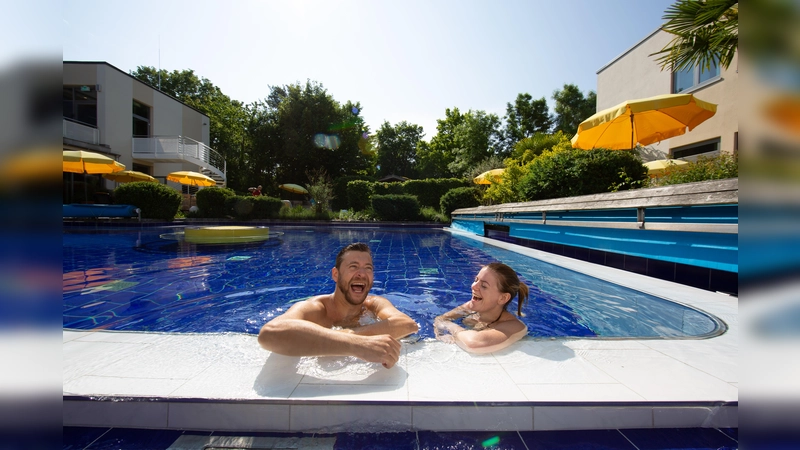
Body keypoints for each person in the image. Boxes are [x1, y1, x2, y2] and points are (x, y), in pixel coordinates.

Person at [258, 242, 419, 368]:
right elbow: (269, 334)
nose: (362, 274)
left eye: (367, 268)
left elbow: (407, 325)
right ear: (336, 274)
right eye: (353, 267)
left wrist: (349, 334)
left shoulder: (373, 304)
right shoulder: (317, 308)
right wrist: (356, 345)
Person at [434, 262, 529, 354]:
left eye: (484, 286)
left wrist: (449, 326)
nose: (473, 286)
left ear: (503, 298)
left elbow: (473, 343)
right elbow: (440, 319)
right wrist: (440, 334)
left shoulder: (514, 326)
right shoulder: (470, 307)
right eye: (476, 280)